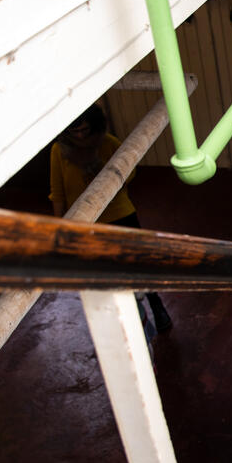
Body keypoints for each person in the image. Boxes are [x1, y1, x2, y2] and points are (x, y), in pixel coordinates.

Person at [50, 105, 173, 333]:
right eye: (74, 132)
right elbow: (57, 192)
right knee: (104, 272)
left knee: (139, 263)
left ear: (94, 125)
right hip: (84, 220)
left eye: (84, 130)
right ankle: (131, 319)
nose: (80, 136)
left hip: (119, 212)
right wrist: (60, 228)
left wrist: (108, 181)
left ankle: (156, 304)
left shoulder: (108, 143)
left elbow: (130, 171)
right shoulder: (59, 150)